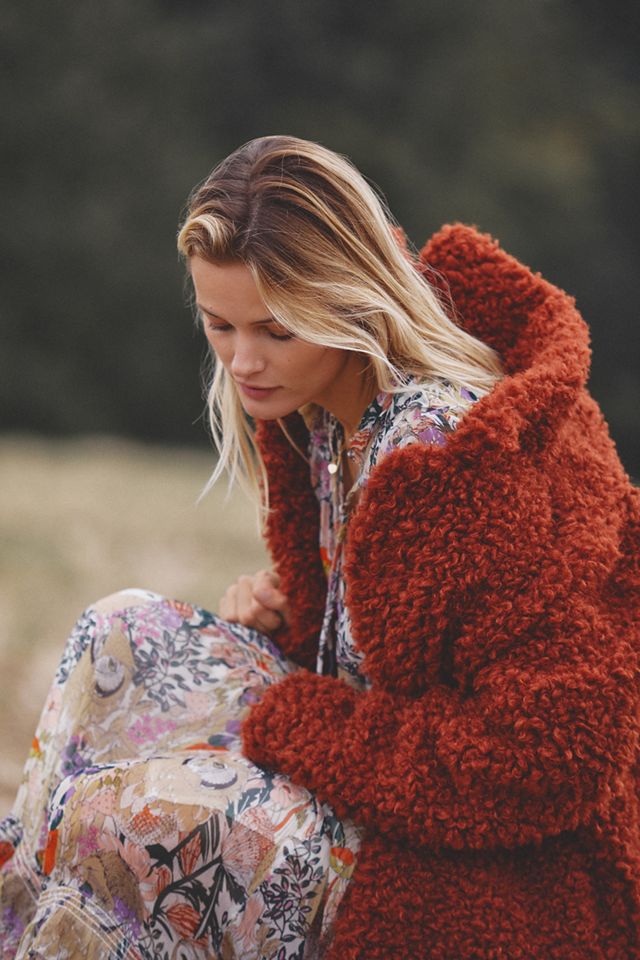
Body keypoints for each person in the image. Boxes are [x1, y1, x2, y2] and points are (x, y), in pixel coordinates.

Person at [1, 135, 639, 959]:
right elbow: (398, 656)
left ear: (350, 301)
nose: (243, 361)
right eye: (220, 325)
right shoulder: (328, 416)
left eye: (276, 330)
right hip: (377, 779)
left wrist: (310, 722)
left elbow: (553, 752)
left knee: (116, 821)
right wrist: (299, 631)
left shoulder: (450, 457)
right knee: (118, 633)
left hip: (487, 873)